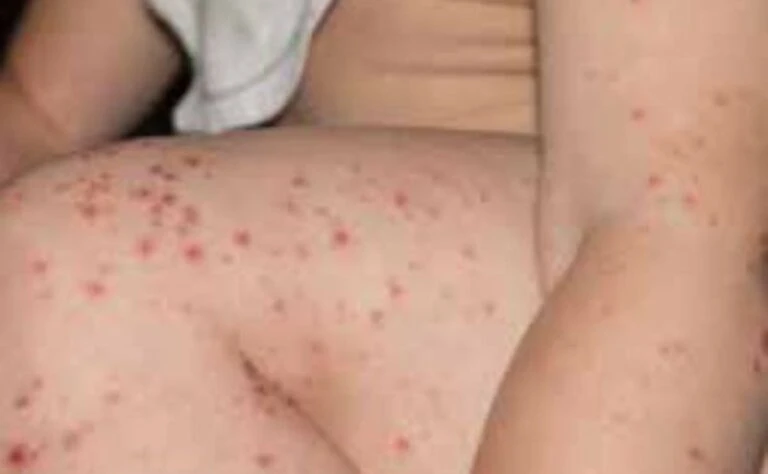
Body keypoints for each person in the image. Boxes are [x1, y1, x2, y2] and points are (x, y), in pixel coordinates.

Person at [0, 1, 766, 474]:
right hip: (409, 343)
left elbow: (680, 233)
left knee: (72, 294)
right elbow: (40, 112)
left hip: (654, 350)